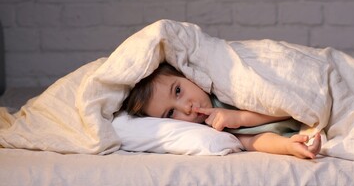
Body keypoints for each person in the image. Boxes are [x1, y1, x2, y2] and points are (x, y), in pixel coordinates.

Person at [121, 63, 322, 159]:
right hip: (302, 130)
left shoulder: (225, 91)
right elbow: (253, 141)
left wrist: (239, 116)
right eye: (171, 114)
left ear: (186, 75)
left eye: (178, 91)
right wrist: (288, 146)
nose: (186, 107)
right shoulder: (211, 129)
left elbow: (286, 107)